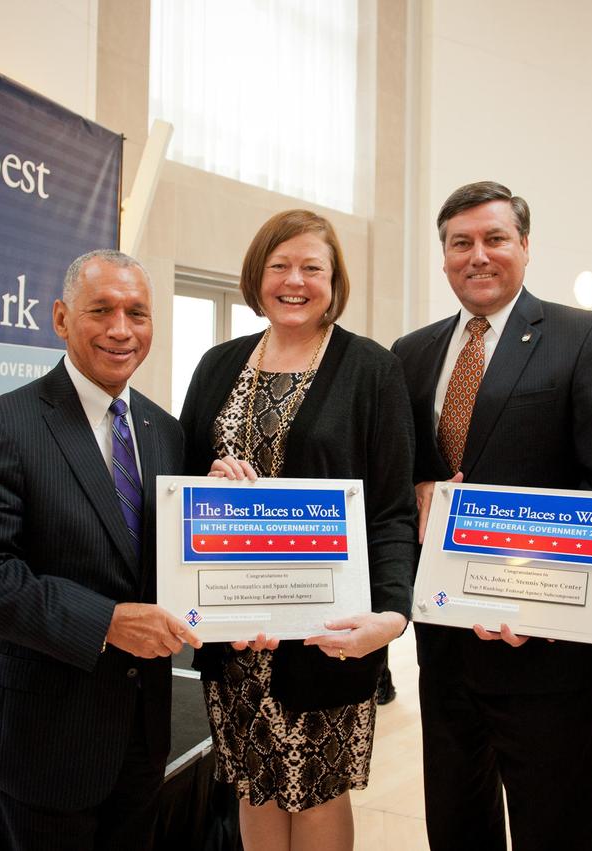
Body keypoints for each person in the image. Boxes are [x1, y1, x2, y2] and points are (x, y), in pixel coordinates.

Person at [391, 181, 592, 849]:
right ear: (443, 255)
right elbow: (401, 478)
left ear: (525, 247)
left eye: (495, 238)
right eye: (460, 242)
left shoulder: (583, 338)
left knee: (549, 829)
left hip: (543, 655)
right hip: (444, 648)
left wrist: (543, 606)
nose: (478, 254)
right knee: (456, 825)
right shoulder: (411, 353)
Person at [0, 249, 200, 850]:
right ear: (61, 318)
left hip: (139, 735)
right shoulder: (2, 425)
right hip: (38, 739)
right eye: (100, 310)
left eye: (138, 312)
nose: (121, 329)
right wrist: (105, 621)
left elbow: (153, 561)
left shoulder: (165, 431)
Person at [179, 209, 417, 851]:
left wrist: (394, 614)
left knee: (314, 792)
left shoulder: (371, 369)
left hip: (324, 632)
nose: (295, 280)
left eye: (313, 267)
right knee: (255, 785)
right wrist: (208, 482)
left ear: (335, 281)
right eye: (280, 265)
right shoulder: (215, 365)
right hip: (234, 632)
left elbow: (392, 508)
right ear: (257, 276)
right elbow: (179, 492)